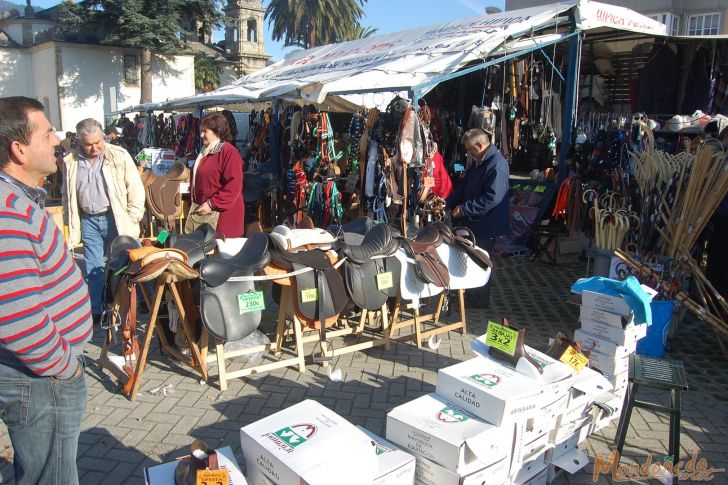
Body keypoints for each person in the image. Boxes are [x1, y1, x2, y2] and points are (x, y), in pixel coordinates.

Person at [0, 96, 93, 484]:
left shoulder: (18, 202)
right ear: (19, 150)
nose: (58, 140)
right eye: (48, 132)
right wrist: (62, 369)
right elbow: (16, 316)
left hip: (39, 372)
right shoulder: (7, 212)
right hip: (39, 377)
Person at [62, 118, 145, 323]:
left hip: (115, 217)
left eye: (98, 142)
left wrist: (134, 216)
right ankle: (97, 309)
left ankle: (139, 303)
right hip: (88, 219)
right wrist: (68, 217)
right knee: (93, 267)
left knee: (128, 262)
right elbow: (67, 193)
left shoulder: (119, 155)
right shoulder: (70, 161)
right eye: (89, 144)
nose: (95, 147)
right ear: (79, 141)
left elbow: (134, 186)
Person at [446, 128, 510, 308]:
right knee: (471, 259)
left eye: (470, 149)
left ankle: (479, 301)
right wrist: (448, 202)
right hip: (474, 221)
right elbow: (463, 187)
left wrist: (464, 209)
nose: (468, 153)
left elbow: (492, 198)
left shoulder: (496, 164)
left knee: (481, 261)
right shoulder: (478, 161)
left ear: (480, 145)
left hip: (486, 223)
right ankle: (472, 296)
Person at [187, 112, 245, 238]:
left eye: (205, 131)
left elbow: (233, 185)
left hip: (223, 217)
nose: (201, 135)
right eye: (200, 131)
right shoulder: (204, 151)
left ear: (216, 131)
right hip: (205, 214)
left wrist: (212, 203)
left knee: (221, 253)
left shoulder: (228, 152)